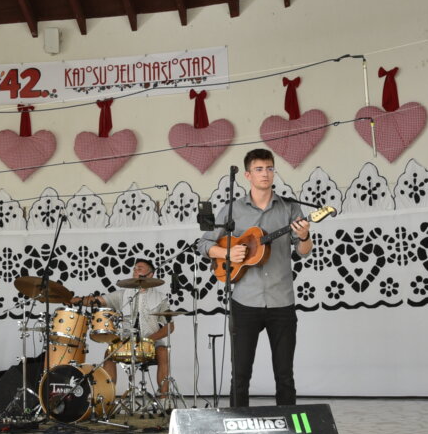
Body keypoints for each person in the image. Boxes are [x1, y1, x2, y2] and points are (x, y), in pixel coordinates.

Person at [197, 148, 312, 407]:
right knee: (240, 375)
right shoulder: (232, 210)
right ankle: (238, 422)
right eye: (259, 169)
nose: (265, 174)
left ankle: (288, 424)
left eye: (270, 168)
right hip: (244, 301)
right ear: (247, 175)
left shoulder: (290, 207)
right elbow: (204, 245)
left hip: (281, 301)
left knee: (285, 375)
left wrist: (305, 235)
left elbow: (304, 252)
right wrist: (227, 252)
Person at [75, 259, 173, 393]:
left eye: (139, 268)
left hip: (152, 341)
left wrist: (151, 338)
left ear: (150, 274)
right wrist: (76, 300)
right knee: (109, 353)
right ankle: (108, 396)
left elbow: (170, 326)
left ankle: (164, 396)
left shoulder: (160, 298)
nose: (135, 271)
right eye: (134, 268)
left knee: (163, 351)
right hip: (126, 340)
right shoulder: (123, 295)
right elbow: (98, 300)